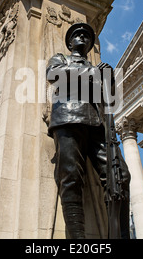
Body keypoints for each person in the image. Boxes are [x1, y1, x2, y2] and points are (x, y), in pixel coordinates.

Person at [46, 23, 130, 239]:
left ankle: (119, 236)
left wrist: (109, 80)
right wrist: (93, 72)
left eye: (87, 36)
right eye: (77, 35)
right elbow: (54, 75)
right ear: (70, 42)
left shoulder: (100, 69)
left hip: (98, 126)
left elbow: (110, 99)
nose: (82, 37)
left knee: (120, 176)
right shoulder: (61, 59)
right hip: (68, 119)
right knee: (71, 178)